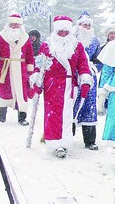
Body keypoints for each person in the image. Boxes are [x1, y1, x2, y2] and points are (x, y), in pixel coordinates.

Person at [31, 15, 92, 158]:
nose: (63, 34)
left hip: (69, 85)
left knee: (66, 114)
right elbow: (39, 66)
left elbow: (83, 65)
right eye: (60, 31)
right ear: (56, 31)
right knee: (52, 114)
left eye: (66, 31)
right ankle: (53, 142)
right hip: (51, 86)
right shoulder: (47, 46)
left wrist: (85, 80)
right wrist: (37, 81)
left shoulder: (77, 46)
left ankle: (64, 142)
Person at [0, 14, 35, 125]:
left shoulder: (25, 38)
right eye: (12, 24)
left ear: (20, 25)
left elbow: (30, 55)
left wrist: (30, 71)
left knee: (22, 93)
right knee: (4, 92)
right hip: (5, 68)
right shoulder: (1, 36)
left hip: (21, 69)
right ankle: (2, 116)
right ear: (8, 24)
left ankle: (22, 118)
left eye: (17, 24)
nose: (15, 26)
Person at [73, 11, 101, 150]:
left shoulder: (95, 41)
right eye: (85, 25)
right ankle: (68, 136)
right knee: (72, 105)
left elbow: (99, 59)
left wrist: (95, 68)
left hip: (90, 77)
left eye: (89, 25)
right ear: (79, 26)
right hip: (74, 77)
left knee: (89, 107)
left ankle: (89, 140)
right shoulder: (72, 39)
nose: (87, 27)